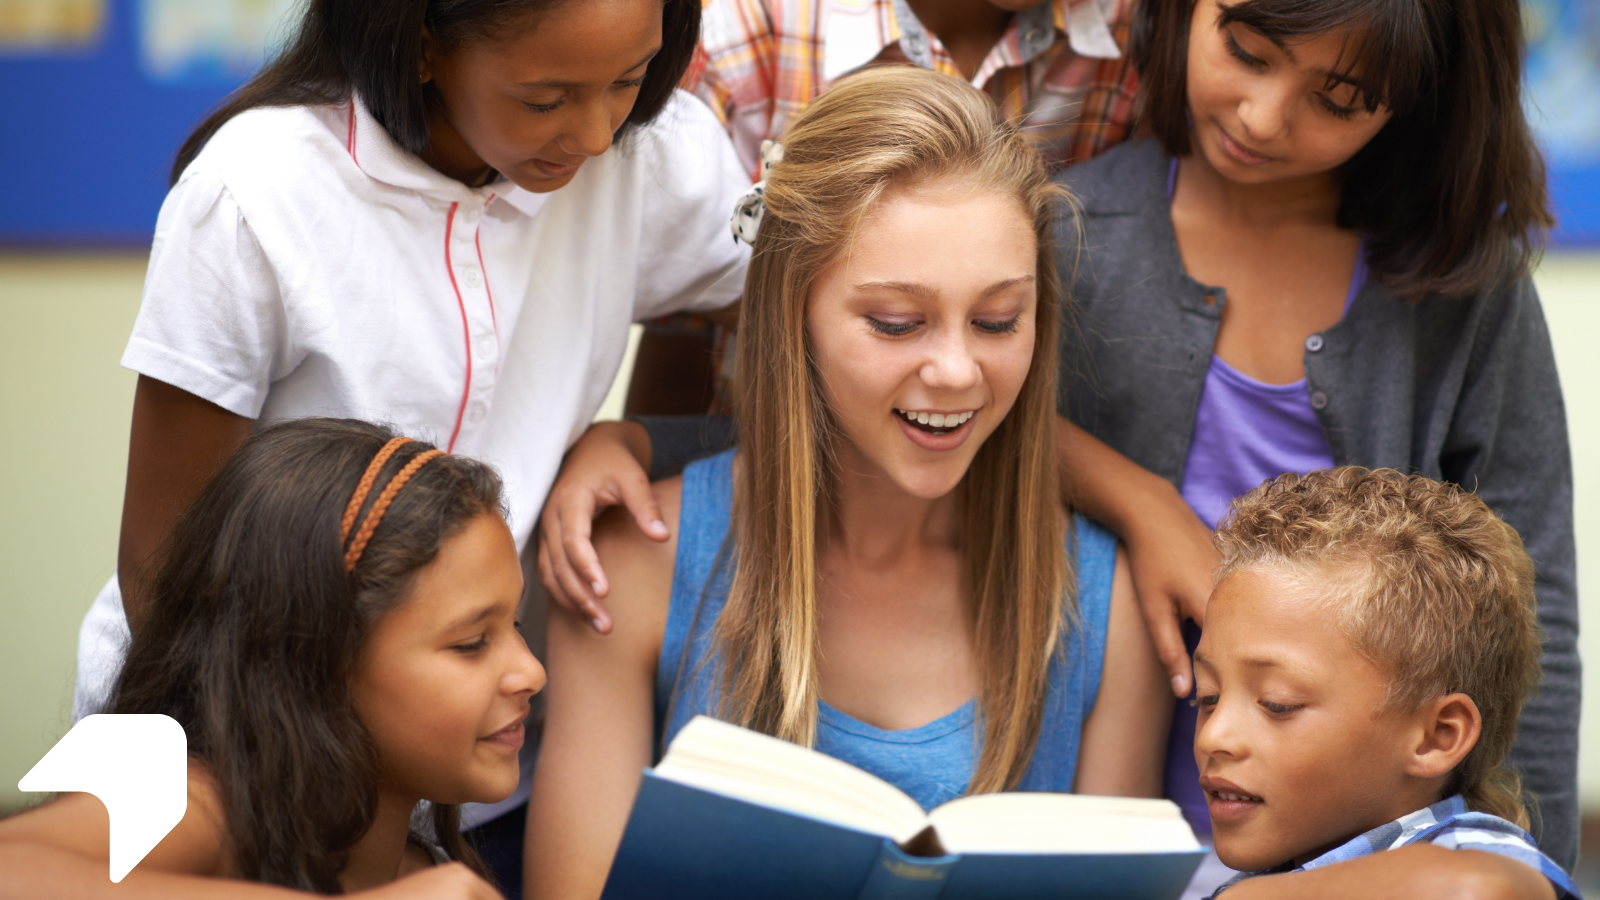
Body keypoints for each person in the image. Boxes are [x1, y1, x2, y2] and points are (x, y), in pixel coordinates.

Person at [75, 0, 750, 875]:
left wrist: (640, 441)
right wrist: (287, 787)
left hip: (461, 757)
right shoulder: (257, 190)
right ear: (424, 44)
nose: (593, 133)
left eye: (628, 81)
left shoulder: (644, 157)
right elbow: (163, 565)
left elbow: (830, 302)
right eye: (546, 98)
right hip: (218, 729)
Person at [524, 66, 1171, 900]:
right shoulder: (636, 566)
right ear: (796, 310)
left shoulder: (1101, 604)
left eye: (999, 319)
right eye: (897, 323)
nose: (955, 370)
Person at [1052, 0, 1576, 874]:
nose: (1262, 117)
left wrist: (1527, 855)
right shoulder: (1068, 233)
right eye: (1246, 53)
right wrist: (1137, 501)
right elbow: (979, 439)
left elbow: (1534, 604)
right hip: (1097, 822)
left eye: (1338, 100)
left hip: (1371, 863)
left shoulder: (1462, 282)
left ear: (1419, 98)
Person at [1, 419, 544, 900]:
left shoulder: (424, 868)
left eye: (514, 627)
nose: (532, 672)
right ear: (316, 659)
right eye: (472, 642)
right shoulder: (196, 795)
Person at [1192, 468, 1579, 900]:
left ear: (1436, 737)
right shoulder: (1280, 869)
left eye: (1277, 704)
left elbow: (1481, 888)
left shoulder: (1466, 845)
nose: (1214, 735)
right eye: (1207, 696)